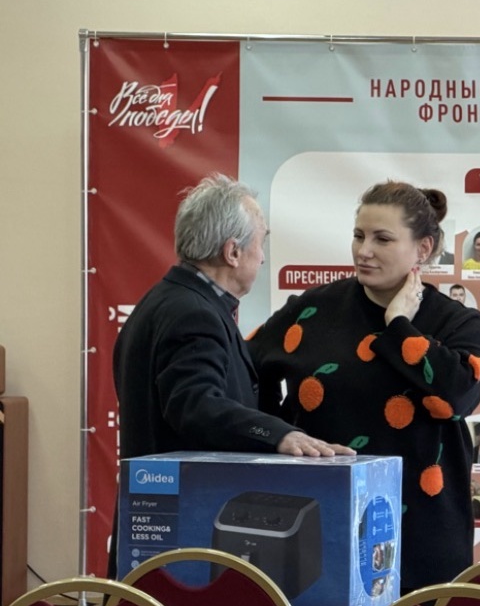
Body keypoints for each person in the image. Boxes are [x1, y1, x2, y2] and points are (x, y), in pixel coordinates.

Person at [249, 179, 480, 591]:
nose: (364, 250)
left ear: (423, 248)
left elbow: (456, 398)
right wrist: (276, 434)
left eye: (382, 239)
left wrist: (398, 326)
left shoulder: (456, 322)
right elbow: (248, 369)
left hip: (423, 538)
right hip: (320, 522)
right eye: (359, 236)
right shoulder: (313, 309)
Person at [111, 175, 349, 574]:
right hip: (182, 537)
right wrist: (278, 435)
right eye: (261, 242)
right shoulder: (193, 313)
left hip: (159, 529)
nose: (264, 258)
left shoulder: (164, 301)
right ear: (233, 252)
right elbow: (195, 404)